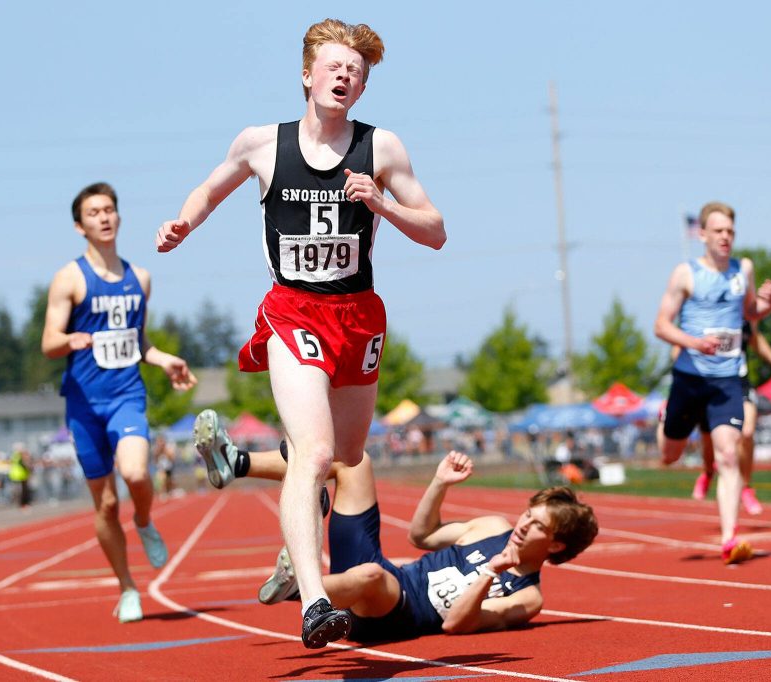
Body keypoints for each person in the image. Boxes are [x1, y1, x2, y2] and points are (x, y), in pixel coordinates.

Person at [156, 19, 445, 647]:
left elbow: (436, 229)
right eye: (336, 66)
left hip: (358, 315)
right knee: (313, 454)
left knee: (343, 457)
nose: (346, 77)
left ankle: (282, 521)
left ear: (364, 88)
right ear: (307, 74)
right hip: (293, 311)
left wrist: (383, 205)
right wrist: (183, 223)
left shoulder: (382, 149)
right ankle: (314, 598)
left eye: (358, 72)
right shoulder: (263, 144)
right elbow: (211, 187)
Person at [191, 414, 597, 641]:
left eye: (537, 525)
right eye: (528, 513)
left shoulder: (527, 597)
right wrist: (439, 483)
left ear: (556, 546)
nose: (523, 524)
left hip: (393, 615)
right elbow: (420, 537)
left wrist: (493, 570)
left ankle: (299, 586)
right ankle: (236, 463)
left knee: (369, 577)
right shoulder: (493, 526)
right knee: (353, 461)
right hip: (391, 575)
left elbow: (458, 624)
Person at [43, 182, 197, 623]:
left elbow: (138, 341)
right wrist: (70, 339)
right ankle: (127, 587)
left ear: (119, 217)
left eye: (109, 209)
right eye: (94, 213)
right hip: (84, 402)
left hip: (126, 395)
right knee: (106, 504)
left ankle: (145, 521)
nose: (104, 218)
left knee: (135, 472)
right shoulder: (69, 278)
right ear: (80, 226)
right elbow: (48, 341)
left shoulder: (140, 278)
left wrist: (165, 359)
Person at [654, 201, 771, 564]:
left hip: (727, 377)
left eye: (731, 232)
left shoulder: (744, 269)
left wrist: (770, 305)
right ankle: (668, 417)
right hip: (690, 377)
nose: (726, 238)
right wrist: (694, 343)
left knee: (728, 453)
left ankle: (729, 538)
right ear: (703, 234)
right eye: (719, 231)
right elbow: (661, 325)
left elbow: (750, 313)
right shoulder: (685, 274)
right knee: (670, 455)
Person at [689, 321, 771, 514]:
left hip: (739, 384)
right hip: (710, 385)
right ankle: (707, 472)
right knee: (708, 436)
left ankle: (746, 487)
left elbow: (757, 341)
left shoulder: (742, 315)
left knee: (747, 432)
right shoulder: (704, 311)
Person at [8, 443, 32, 509]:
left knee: (18, 491)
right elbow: (26, 464)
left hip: (17, 475)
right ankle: (22, 503)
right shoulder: (21, 455)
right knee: (22, 491)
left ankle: (19, 503)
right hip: (21, 475)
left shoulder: (14, 455)